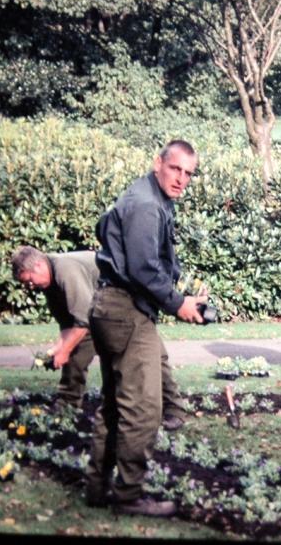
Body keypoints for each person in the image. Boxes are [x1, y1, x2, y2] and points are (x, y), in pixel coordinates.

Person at [83, 140, 208, 518]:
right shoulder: (146, 204)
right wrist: (178, 302)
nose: (181, 179)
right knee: (144, 410)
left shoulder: (147, 198)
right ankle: (128, 496)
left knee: (114, 406)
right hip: (125, 311)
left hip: (114, 307)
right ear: (159, 164)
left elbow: (138, 256)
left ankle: (97, 487)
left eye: (188, 173)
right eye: (175, 169)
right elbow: (142, 269)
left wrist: (177, 290)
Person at [10, 246, 187, 430]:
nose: (30, 287)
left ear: (38, 265)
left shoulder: (65, 271)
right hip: (100, 307)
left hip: (131, 299)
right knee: (75, 354)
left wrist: (65, 351)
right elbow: (67, 323)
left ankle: (174, 410)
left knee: (152, 356)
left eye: (29, 281)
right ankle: (67, 408)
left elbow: (82, 321)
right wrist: (59, 349)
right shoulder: (48, 281)